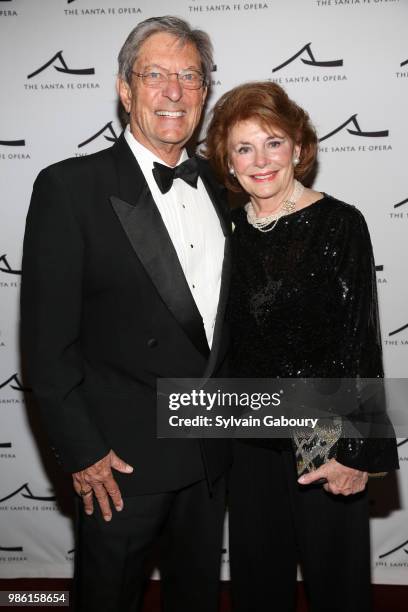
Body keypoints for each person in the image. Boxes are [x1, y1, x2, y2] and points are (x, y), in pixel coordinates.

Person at [21, 16, 231, 612]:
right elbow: (46, 344)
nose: (174, 91)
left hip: (208, 451)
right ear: (125, 88)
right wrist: (83, 452)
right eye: (156, 74)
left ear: (205, 91)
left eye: (190, 76)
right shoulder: (70, 188)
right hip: (120, 463)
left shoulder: (223, 185)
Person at [204, 81, 399, 612]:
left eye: (272, 142)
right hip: (247, 441)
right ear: (227, 158)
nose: (260, 160)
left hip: (323, 434)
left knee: (337, 589)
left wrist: (355, 451)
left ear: (298, 146)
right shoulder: (227, 231)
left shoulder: (338, 223)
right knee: (257, 586)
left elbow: (360, 342)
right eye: (244, 148)